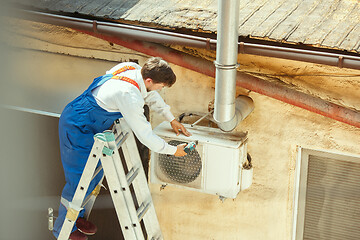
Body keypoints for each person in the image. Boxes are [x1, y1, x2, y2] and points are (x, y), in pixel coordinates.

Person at [53, 57, 191, 240]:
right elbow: (145, 136)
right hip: (77, 126)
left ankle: (76, 218)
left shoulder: (132, 69)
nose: (161, 89)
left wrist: (171, 119)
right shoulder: (129, 95)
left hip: (91, 123)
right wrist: (173, 150)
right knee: (78, 181)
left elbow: (151, 95)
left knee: (92, 175)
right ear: (149, 80)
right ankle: (63, 228)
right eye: (161, 85)